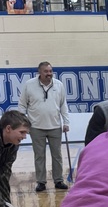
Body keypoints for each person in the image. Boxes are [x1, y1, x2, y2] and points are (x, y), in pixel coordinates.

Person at [18, 61, 70, 192]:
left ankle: (58, 180)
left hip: (55, 126)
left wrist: (66, 122)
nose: (49, 74)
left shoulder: (59, 85)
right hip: (36, 127)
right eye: (46, 71)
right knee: (39, 156)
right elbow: (22, 105)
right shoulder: (29, 85)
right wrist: (22, 123)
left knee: (57, 155)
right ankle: (41, 182)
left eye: (50, 71)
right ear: (39, 72)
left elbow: (63, 105)